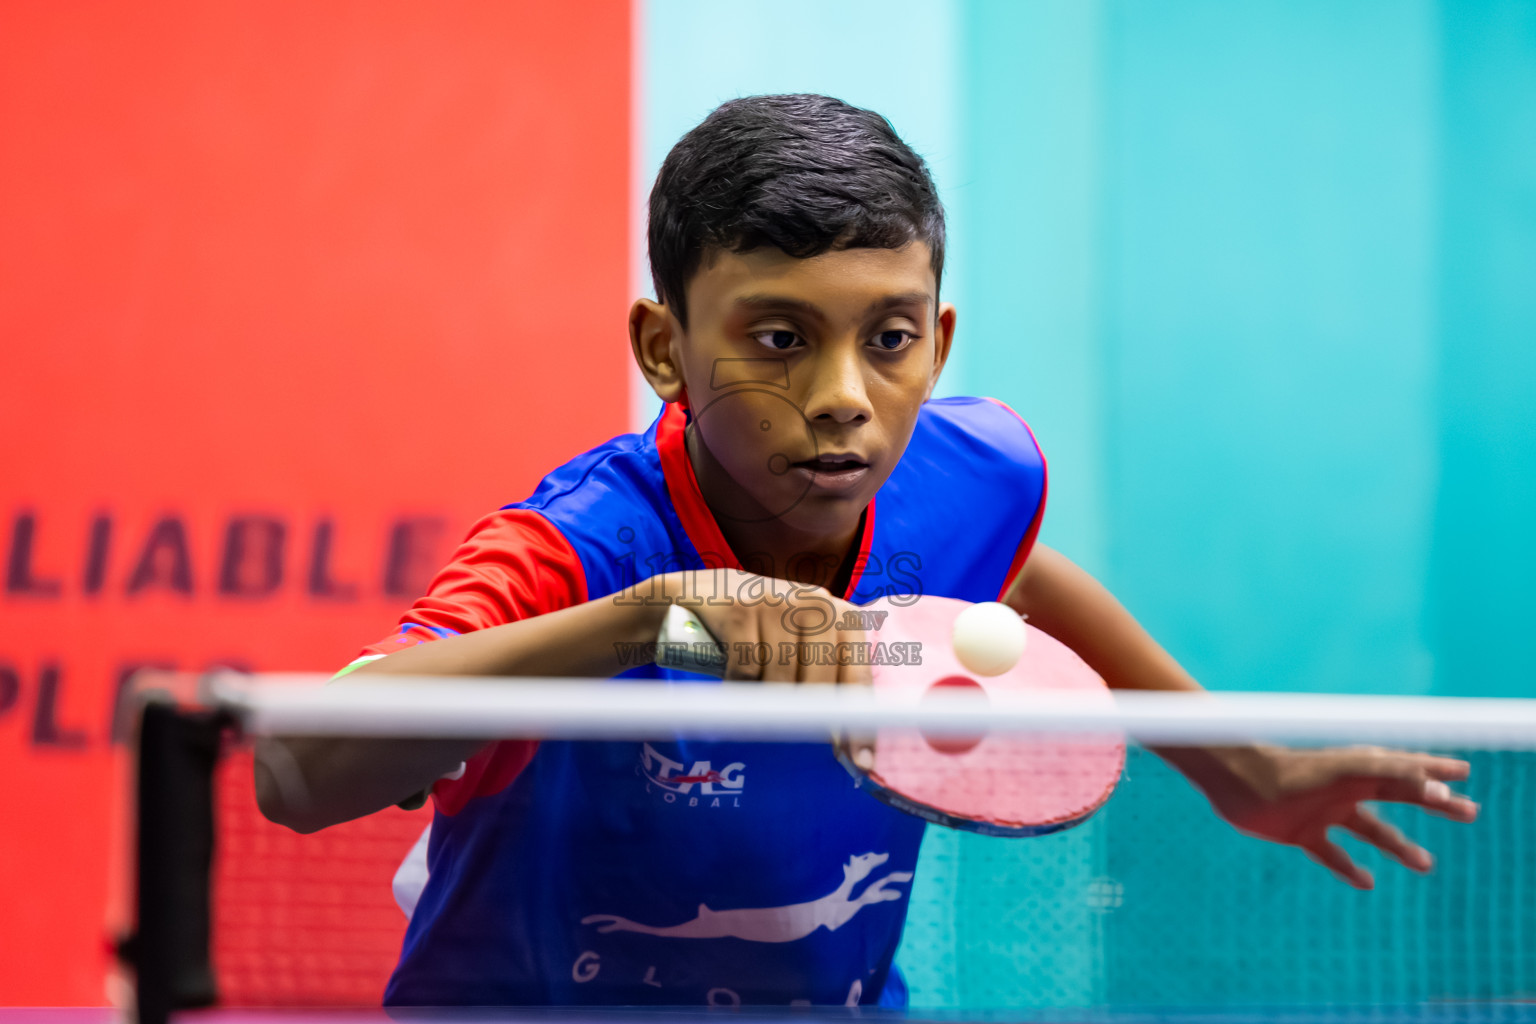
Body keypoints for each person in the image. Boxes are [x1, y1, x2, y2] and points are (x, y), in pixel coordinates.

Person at [255, 94, 1478, 1008]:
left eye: (888, 337)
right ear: (664, 345)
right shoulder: (580, 547)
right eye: (778, 338)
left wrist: (1237, 767)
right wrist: (653, 623)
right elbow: (297, 774)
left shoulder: (970, 478)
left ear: (938, 341)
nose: (844, 396)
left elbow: (1014, 573)